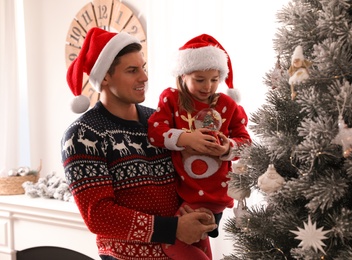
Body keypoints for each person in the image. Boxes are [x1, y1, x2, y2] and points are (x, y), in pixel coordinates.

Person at [61, 27, 217, 260]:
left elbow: (192, 174)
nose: (144, 77)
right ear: (104, 76)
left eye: (143, 68)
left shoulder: (161, 122)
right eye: (132, 70)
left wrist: (204, 212)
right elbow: (98, 215)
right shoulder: (84, 135)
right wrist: (173, 229)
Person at [147, 34, 251, 260]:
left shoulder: (227, 105)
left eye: (214, 79)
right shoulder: (171, 99)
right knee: (197, 243)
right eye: (200, 79)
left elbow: (246, 142)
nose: (208, 86)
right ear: (183, 76)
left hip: (215, 195)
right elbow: (155, 132)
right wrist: (185, 138)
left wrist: (227, 148)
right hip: (186, 193)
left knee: (172, 243)